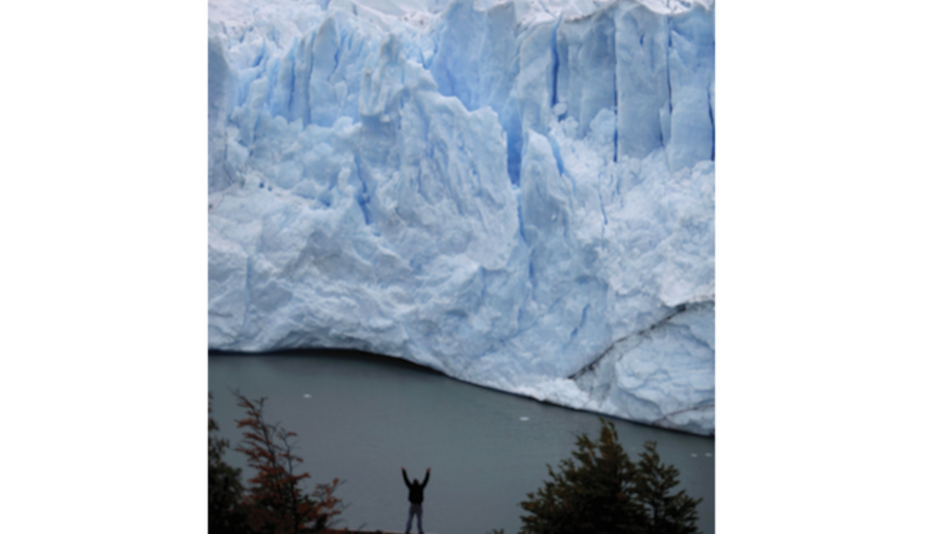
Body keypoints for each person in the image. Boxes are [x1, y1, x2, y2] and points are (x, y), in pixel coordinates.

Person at [402, 466, 430, 534]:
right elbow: (426, 481)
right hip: (419, 505)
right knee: (419, 519)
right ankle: (420, 531)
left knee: (410, 518)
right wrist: (428, 472)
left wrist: (403, 471)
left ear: (413, 482)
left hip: (412, 505)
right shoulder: (421, 487)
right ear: (418, 482)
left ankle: (407, 530)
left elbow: (406, 480)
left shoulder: (411, 487)